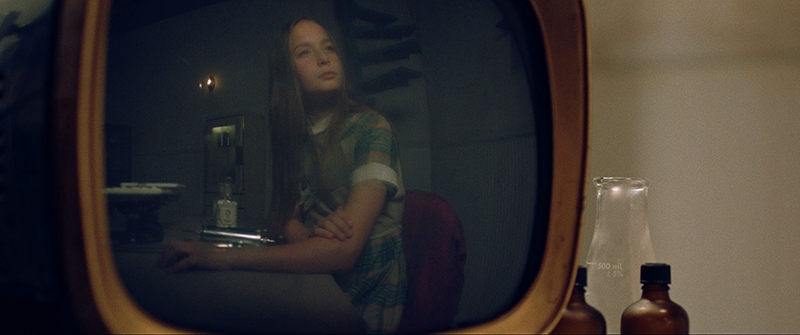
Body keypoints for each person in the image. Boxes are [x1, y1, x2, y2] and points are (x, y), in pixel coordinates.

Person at [157, 17, 407, 334]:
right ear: (287, 74)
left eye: (329, 47)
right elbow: (285, 220)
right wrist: (310, 234)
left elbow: (343, 253)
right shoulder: (298, 139)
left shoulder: (372, 127)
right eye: (305, 52)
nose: (324, 57)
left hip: (364, 308)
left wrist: (225, 257)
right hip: (317, 284)